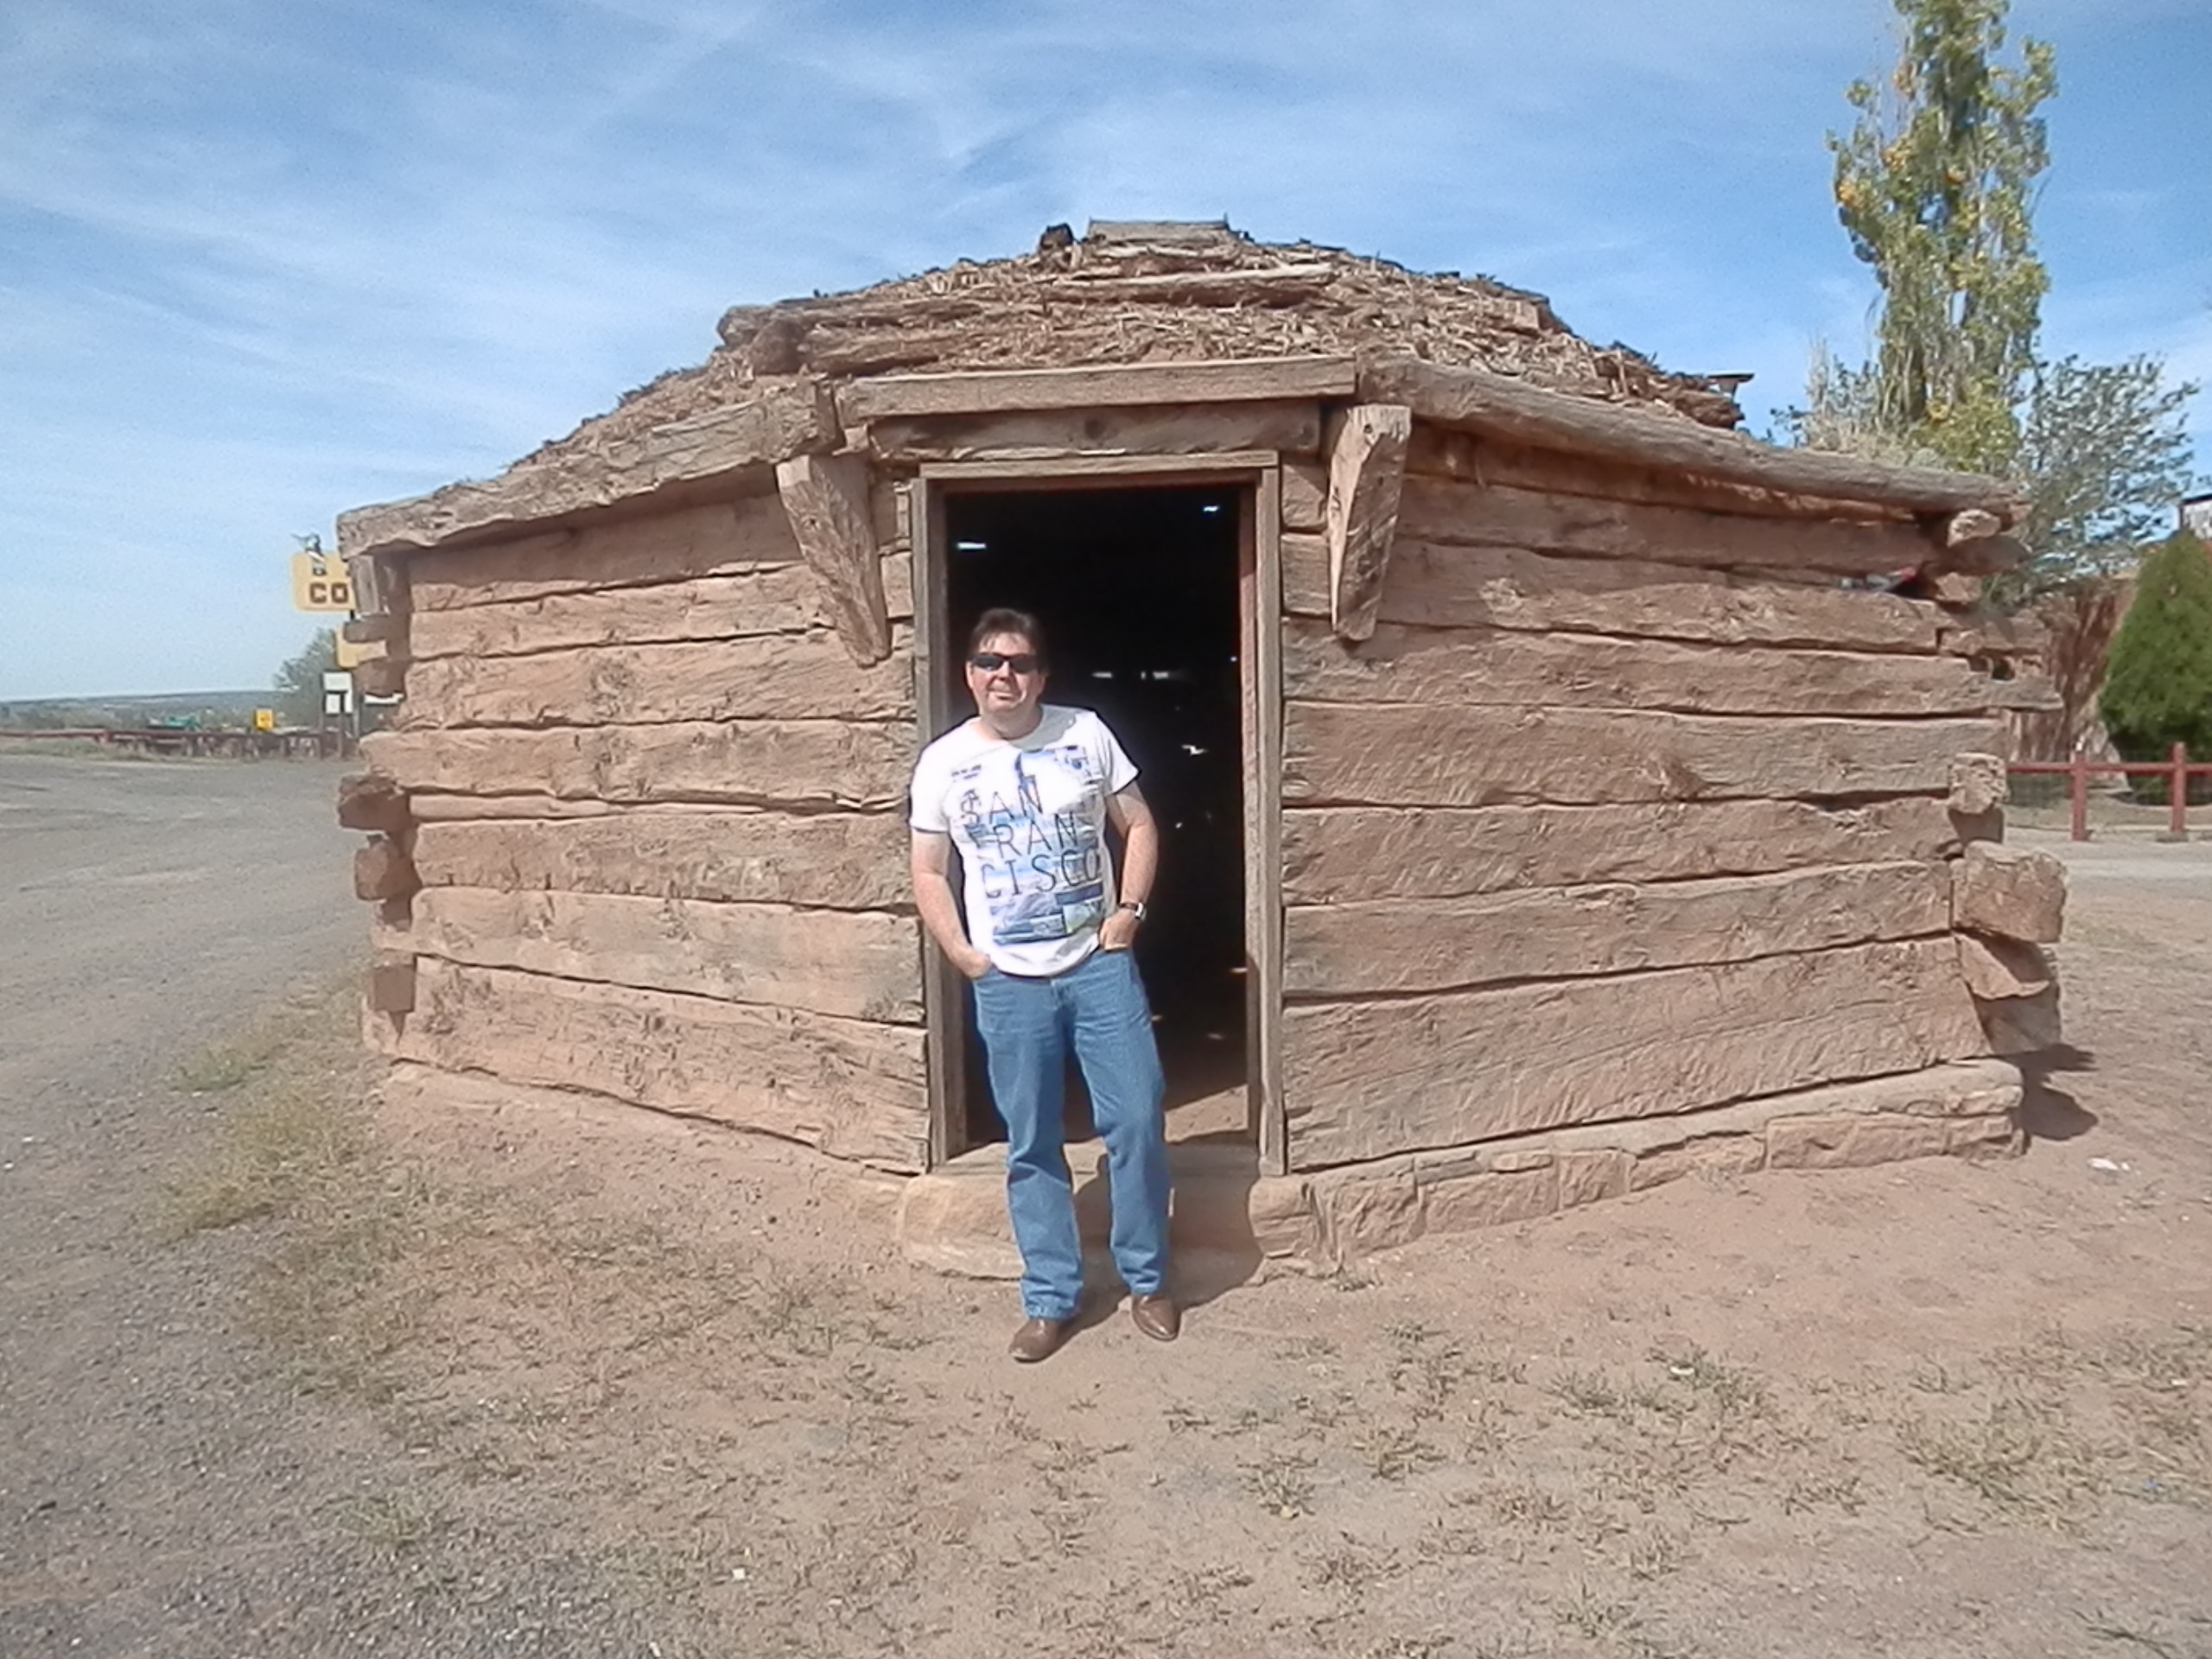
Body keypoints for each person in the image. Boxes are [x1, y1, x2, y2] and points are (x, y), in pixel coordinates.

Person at [908, 607, 1176, 1363]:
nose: (1005, 675)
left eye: (1020, 663)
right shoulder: (943, 762)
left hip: (1097, 963)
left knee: (1136, 1117)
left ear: (1042, 676)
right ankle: (1051, 1298)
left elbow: (1140, 825)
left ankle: (1149, 1280)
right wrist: (962, 953)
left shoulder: (1085, 733)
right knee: (1031, 1140)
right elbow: (928, 869)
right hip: (1008, 979)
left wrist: (1129, 913)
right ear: (969, 676)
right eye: (990, 662)